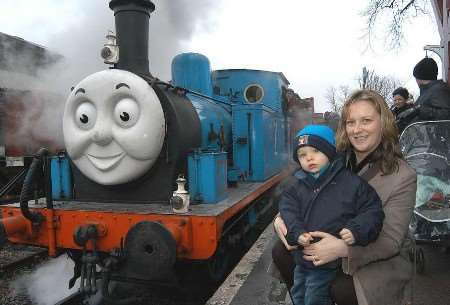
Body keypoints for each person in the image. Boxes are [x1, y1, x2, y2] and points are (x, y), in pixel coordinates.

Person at [272, 89, 417, 305]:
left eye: (366, 120)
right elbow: (298, 192)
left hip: (375, 254)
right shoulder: (330, 158)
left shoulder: (403, 175)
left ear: (383, 123)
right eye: (351, 122)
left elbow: (390, 241)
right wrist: (280, 221)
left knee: (341, 289)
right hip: (325, 238)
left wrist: (341, 248)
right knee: (280, 252)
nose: (357, 130)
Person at [279, 124, 384, 305]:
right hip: (302, 259)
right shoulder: (295, 186)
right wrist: (297, 233)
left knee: (315, 298)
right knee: (298, 294)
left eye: (315, 151)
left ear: (329, 152)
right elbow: (288, 212)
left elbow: (373, 211)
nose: (309, 157)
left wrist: (355, 230)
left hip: (327, 263)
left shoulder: (351, 184)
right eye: (302, 155)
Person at [397, 57, 450, 126]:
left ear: (419, 77)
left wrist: (419, 110)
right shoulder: (428, 91)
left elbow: (446, 115)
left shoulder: (438, 90)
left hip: (437, 136)